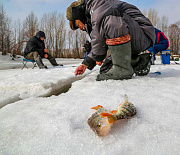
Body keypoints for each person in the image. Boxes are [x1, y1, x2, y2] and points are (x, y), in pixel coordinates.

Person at [66, 0, 155, 80]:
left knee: (111, 19)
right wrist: (85, 64)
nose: (81, 28)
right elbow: (97, 41)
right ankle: (141, 62)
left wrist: (99, 55)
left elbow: (99, 39)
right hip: (132, 37)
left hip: (143, 33)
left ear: (77, 15)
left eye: (78, 25)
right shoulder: (95, 13)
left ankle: (122, 69)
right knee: (106, 69)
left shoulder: (97, 5)